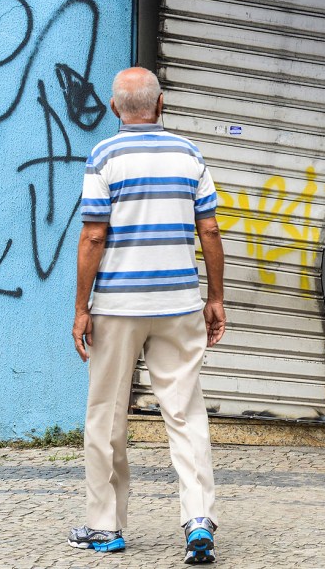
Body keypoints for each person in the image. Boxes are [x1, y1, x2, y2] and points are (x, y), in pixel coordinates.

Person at [69, 66, 226, 564]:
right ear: (161, 104)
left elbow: (94, 236)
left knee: (106, 414)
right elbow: (211, 231)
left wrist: (80, 307)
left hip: (117, 307)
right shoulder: (189, 154)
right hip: (179, 304)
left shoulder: (103, 156)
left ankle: (107, 528)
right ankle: (198, 519)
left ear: (116, 108)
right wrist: (215, 298)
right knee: (184, 412)